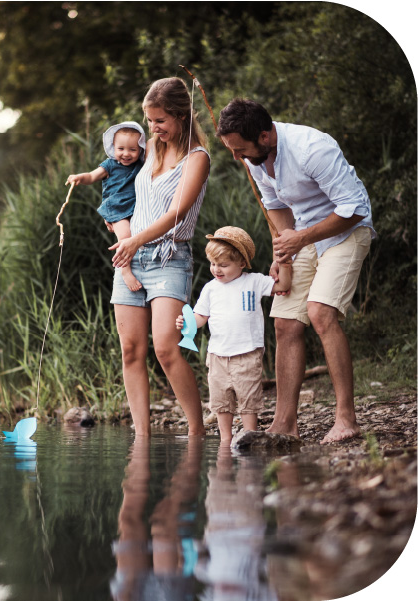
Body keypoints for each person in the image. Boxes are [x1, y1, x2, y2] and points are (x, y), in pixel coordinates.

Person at [216, 98, 375, 444]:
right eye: (232, 150)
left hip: (347, 232)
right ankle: (285, 423)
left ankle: (346, 419)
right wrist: (283, 250)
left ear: (265, 136)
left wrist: (300, 237)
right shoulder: (255, 159)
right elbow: (276, 207)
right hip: (304, 236)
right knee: (285, 322)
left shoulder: (311, 148)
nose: (238, 157)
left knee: (320, 313)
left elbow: (355, 209)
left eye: (241, 149)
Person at [109, 77, 211, 437]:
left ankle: (197, 431)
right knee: (130, 350)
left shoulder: (198, 158)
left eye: (160, 121)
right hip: (131, 258)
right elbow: (117, 194)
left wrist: (134, 241)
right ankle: (142, 437)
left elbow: (177, 214)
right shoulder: (148, 148)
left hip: (170, 258)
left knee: (167, 348)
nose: (152, 129)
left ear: (181, 116)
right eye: (150, 121)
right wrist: (124, 239)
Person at [175, 226, 291, 443]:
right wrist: (186, 322)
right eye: (213, 264)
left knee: (248, 399)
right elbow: (200, 317)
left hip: (247, 354)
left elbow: (283, 284)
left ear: (242, 263)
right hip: (218, 356)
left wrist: (284, 262)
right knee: (221, 402)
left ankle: (249, 437)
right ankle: (225, 441)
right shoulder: (210, 288)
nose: (216, 270)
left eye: (224, 265)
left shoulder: (254, 281)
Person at [67, 121, 146, 291]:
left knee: (138, 235)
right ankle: (125, 271)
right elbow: (92, 176)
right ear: (113, 147)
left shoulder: (141, 166)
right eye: (121, 149)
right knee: (125, 237)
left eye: (132, 149)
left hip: (136, 208)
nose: (126, 154)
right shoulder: (110, 164)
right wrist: (80, 177)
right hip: (117, 208)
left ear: (140, 149)